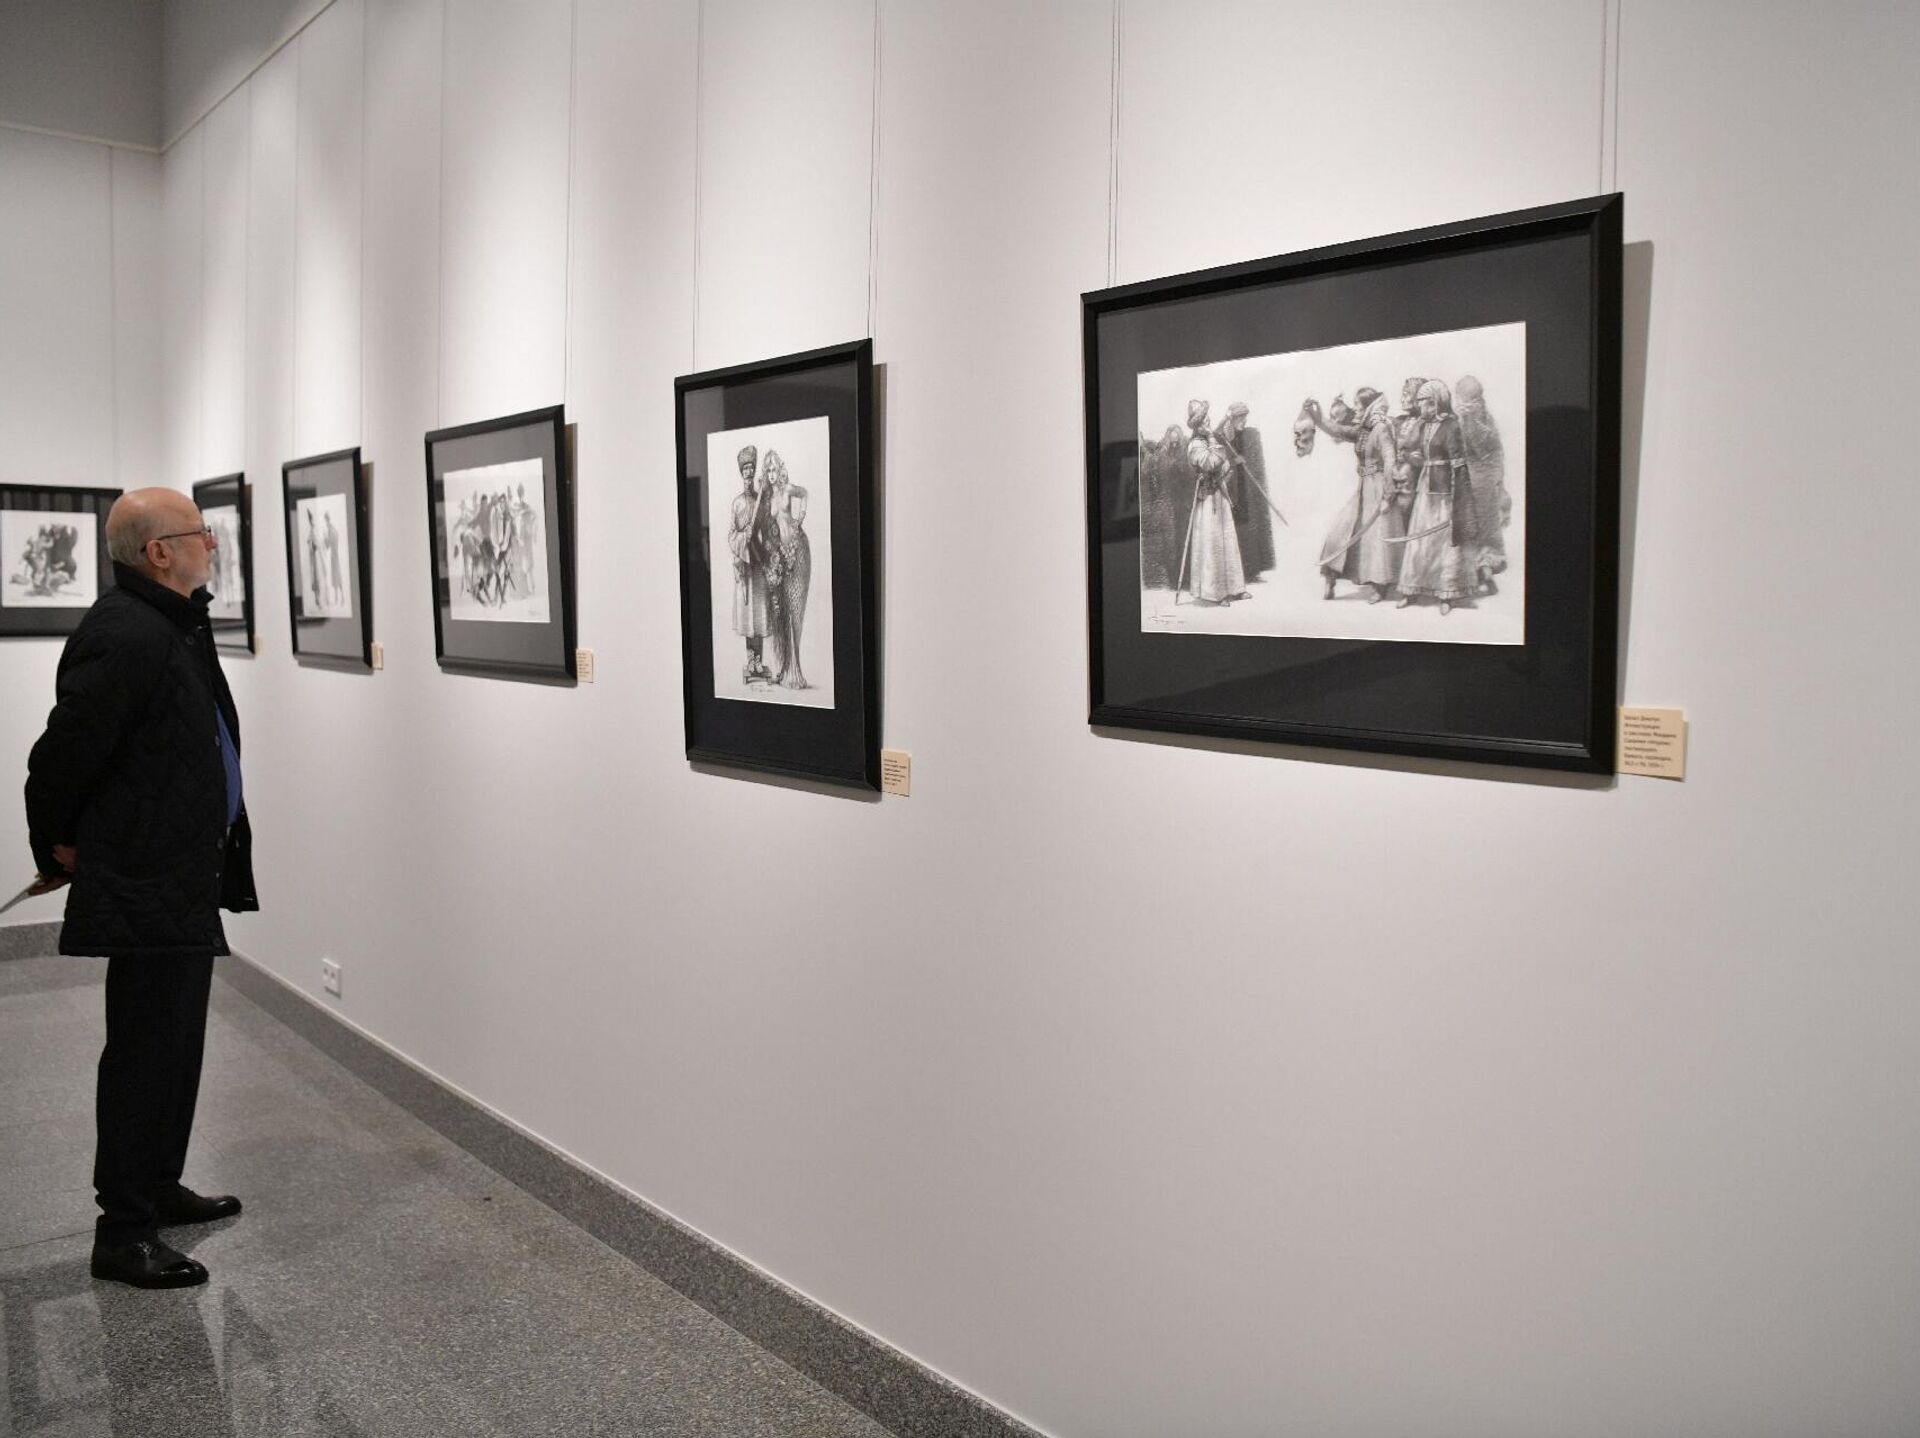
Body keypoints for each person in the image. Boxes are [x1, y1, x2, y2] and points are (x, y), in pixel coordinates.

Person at [24, 487, 257, 1289]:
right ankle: (123, 1230)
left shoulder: (174, 622)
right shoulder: (127, 632)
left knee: (176, 1041)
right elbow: (61, 754)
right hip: (146, 871)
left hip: (182, 869)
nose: (211, 545)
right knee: (144, 1051)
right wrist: (56, 842)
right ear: (159, 553)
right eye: (200, 533)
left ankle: (158, 1184)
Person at [1310, 387, 1404, 602]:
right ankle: (1330, 577)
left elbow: (1390, 461)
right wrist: (1317, 416)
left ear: (1369, 407)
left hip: (1379, 489)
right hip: (1363, 488)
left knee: (1377, 539)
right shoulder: (1362, 429)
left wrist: (1388, 496)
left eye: (1359, 406)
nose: (1356, 410)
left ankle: (1380, 586)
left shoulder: (1381, 428)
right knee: (1340, 531)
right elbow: (1338, 430)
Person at [1394, 379, 1477, 614]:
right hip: (1424, 488)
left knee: (1443, 544)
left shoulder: (1451, 425)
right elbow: (1408, 449)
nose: (1421, 407)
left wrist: (1458, 499)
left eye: (1426, 403)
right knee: (1419, 541)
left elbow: (1458, 463)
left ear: (1437, 403)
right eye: (1420, 403)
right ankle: (1411, 590)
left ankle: (1446, 595)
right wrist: (1412, 457)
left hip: (1445, 492)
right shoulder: (1422, 425)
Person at [1178, 399, 1247, 606]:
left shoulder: (1208, 439)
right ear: (1198, 425)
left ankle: (1235, 588)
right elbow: (1211, 463)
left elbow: (1222, 463)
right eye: (1204, 420)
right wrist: (1214, 444)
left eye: (1207, 419)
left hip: (1220, 495)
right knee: (1213, 543)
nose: (1208, 422)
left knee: (1228, 540)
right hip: (1207, 499)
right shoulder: (1195, 445)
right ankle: (1217, 593)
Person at [758, 450, 812, 688]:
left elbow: (805, 493)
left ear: (779, 469)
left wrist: (800, 518)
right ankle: (785, 667)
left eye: (774, 469)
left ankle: (796, 670)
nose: (771, 474)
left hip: (797, 550)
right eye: (767, 470)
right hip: (779, 556)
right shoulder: (766, 498)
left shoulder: (788, 489)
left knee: (795, 609)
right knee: (781, 613)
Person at [1454, 374, 1511, 595]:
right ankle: (1484, 569)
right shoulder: (1486, 417)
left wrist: (1466, 418)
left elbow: (1470, 447)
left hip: (1471, 480)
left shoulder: (1468, 418)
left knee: (1471, 527)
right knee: (1484, 528)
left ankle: (1475, 573)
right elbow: (1497, 453)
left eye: (1459, 396)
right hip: (1486, 479)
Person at [726, 445, 771, 683]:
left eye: (751, 469)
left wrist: (761, 542)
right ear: (741, 473)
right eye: (745, 469)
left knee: (759, 614)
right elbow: (731, 535)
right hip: (744, 565)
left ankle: (759, 662)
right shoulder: (736, 503)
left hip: (758, 563)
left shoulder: (760, 503)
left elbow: (766, 532)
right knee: (747, 616)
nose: (748, 473)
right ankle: (750, 660)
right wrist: (744, 535)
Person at [1218, 402, 1276, 582]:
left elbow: (1255, 461)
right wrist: (1234, 462)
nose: (1243, 421)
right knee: (1236, 528)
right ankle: (1238, 573)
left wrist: (1246, 461)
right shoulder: (1225, 435)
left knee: (1250, 528)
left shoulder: (1251, 434)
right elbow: (1214, 436)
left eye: (1245, 417)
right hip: (1233, 488)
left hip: (1248, 489)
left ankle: (1252, 571)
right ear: (1233, 418)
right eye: (1240, 418)